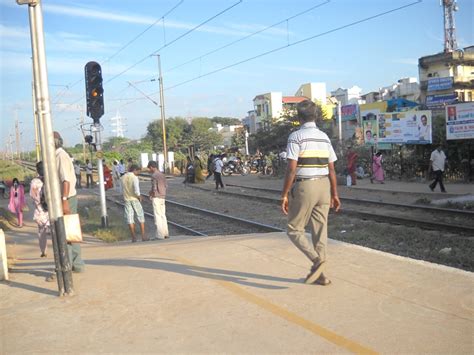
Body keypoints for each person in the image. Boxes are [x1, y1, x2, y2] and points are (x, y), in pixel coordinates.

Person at [280, 100, 341, 286]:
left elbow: (291, 169)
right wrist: (335, 194)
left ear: (299, 118)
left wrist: (284, 194)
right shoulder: (324, 137)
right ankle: (321, 276)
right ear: (316, 116)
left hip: (305, 186)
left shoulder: (296, 136)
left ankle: (317, 261)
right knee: (320, 232)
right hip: (324, 187)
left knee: (294, 229)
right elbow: (331, 169)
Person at [54, 131, 85, 273]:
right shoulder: (57, 155)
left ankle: (74, 264)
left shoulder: (61, 156)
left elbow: (65, 180)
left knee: (69, 232)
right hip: (63, 198)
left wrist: (64, 200)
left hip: (67, 198)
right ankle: (75, 264)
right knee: (68, 232)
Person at [121, 164, 147, 242]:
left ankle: (133, 237)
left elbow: (120, 189)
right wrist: (139, 196)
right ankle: (143, 236)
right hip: (135, 199)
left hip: (127, 200)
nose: (138, 173)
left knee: (130, 218)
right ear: (135, 170)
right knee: (140, 216)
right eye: (138, 171)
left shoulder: (123, 177)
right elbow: (136, 190)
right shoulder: (134, 178)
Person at [29, 161, 49, 257]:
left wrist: (38, 203)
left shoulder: (34, 182)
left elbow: (32, 196)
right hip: (53, 209)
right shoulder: (51, 179)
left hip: (40, 210)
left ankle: (43, 251)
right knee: (55, 231)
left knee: (42, 232)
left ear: (37, 170)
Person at [147, 160, 169, 240]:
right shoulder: (162, 175)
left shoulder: (154, 176)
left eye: (150, 168)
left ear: (152, 167)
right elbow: (166, 186)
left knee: (157, 215)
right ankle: (166, 233)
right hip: (163, 196)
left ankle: (160, 235)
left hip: (156, 197)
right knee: (163, 215)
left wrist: (151, 195)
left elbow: (154, 188)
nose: (149, 170)